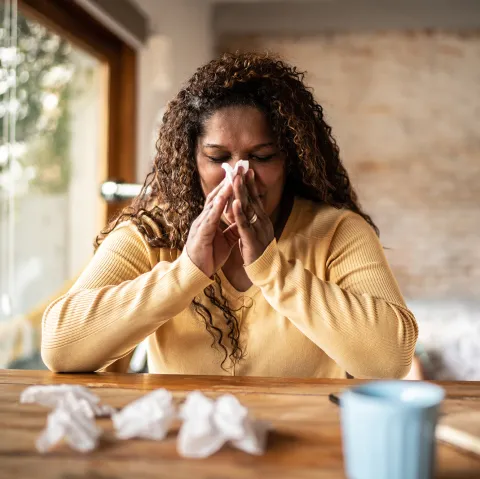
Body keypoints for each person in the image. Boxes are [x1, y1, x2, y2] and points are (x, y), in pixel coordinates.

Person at [42, 52, 418, 378]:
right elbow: (59, 347)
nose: (240, 176)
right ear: (192, 161)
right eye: (219, 158)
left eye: (262, 156)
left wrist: (271, 267)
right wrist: (187, 270)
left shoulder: (336, 232)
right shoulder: (152, 232)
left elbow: (391, 361)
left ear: (291, 159)